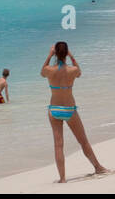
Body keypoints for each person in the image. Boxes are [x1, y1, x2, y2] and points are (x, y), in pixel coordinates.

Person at [40, 43, 106, 181]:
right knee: (83, 141)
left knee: (58, 145)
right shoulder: (72, 70)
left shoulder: (49, 70)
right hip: (70, 109)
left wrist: (49, 55)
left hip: (54, 109)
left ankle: (62, 178)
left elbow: (42, 72)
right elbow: (80, 72)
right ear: (66, 53)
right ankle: (98, 167)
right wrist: (71, 55)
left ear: (56, 53)